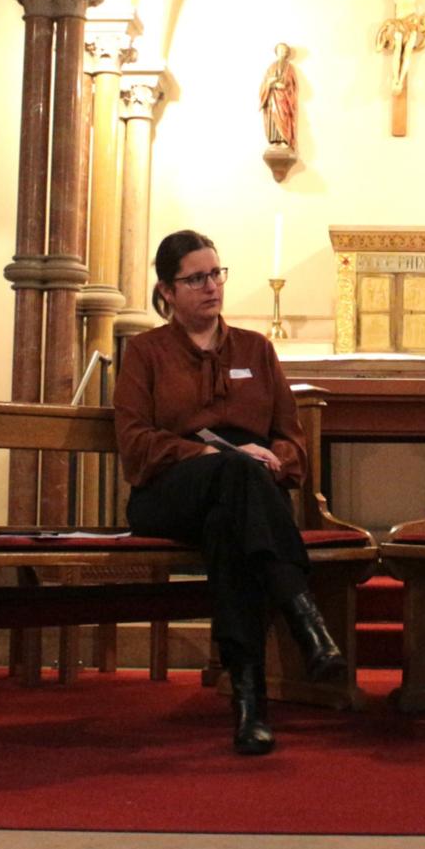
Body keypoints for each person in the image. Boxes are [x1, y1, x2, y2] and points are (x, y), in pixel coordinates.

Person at [113, 229, 345, 756]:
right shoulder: (145, 353)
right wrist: (208, 455)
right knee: (236, 475)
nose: (212, 286)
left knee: (228, 525)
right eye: (196, 278)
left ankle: (250, 706)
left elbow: (293, 441)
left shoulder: (256, 350)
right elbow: (135, 444)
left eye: (216, 274)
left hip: (244, 495)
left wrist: (275, 458)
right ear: (167, 290)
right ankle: (303, 617)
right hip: (170, 490)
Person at [259, 42, 297, 149]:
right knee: (273, 117)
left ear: (287, 53)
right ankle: (274, 140)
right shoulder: (271, 67)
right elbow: (265, 82)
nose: (282, 52)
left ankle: (285, 139)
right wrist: (272, 83)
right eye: (280, 50)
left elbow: (292, 84)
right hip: (273, 97)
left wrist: (285, 85)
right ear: (276, 52)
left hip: (284, 98)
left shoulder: (290, 68)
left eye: (284, 50)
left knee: (284, 116)